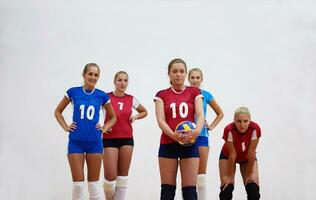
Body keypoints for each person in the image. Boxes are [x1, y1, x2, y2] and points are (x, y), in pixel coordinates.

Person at [54, 63, 117, 200]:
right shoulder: (73, 92)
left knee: (94, 186)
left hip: (94, 143)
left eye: (96, 75)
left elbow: (113, 117)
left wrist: (104, 128)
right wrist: (66, 127)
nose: (93, 77)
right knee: (78, 186)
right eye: (90, 74)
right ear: (84, 75)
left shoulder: (101, 96)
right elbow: (58, 111)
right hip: (76, 142)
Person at [154, 58, 204, 200]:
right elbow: (160, 120)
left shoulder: (194, 92)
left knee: (190, 192)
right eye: (174, 71)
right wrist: (173, 135)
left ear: (185, 73)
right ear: (169, 74)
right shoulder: (161, 95)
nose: (178, 74)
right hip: (168, 143)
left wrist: (196, 132)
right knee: (167, 192)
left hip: (190, 143)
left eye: (182, 71)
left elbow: (200, 115)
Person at [102, 71, 148, 200]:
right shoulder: (105, 97)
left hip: (127, 139)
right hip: (109, 139)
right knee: (110, 177)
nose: (122, 83)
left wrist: (136, 116)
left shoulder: (130, 99)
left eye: (125, 80)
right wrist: (103, 126)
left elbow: (144, 111)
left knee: (122, 178)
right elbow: (96, 113)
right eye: (120, 80)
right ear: (114, 82)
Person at [188, 68, 224, 200]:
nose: (195, 80)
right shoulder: (183, 94)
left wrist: (211, 126)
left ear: (201, 80)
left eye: (198, 78)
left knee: (201, 174)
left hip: (202, 136)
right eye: (192, 77)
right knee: (188, 176)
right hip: (186, 137)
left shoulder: (206, 95)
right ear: (188, 79)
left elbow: (220, 113)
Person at [219, 107, 261, 200]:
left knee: (253, 188)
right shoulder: (229, 129)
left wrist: (250, 174)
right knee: (226, 188)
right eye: (239, 121)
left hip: (246, 157)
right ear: (234, 120)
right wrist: (229, 177)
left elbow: (251, 152)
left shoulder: (255, 128)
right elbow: (232, 154)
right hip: (228, 156)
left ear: (250, 120)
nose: (242, 125)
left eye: (245, 121)